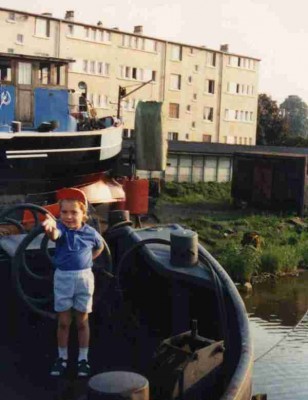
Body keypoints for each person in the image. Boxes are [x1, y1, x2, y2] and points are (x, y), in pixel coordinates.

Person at [42, 188, 104, 377]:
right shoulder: (60, 229)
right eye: (64, 212)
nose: (68, 217)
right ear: (59, 214)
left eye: (74, 212)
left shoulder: (90, 233)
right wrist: (50, 226)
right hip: (63, 279)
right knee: (63, 322)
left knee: (82, 322)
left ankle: (83, 359)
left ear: (83, 215)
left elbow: (100, 246)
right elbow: (54, 235)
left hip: (85, 279)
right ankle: (62, 357)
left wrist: (89, 261)